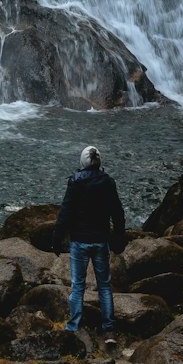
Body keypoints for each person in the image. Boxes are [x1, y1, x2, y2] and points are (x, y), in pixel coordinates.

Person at [51, 144, 127, 347]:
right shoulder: (108, 182)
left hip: (79, 242)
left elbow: (65, 213)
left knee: (78, 286)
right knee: (104, 286)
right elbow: (117, 212)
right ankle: (109, 330)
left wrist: (57, 238)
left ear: (82, 162)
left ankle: (73, 327)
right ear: (99, 161)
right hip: (101, 240)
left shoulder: (75, 183)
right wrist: (119, 235)